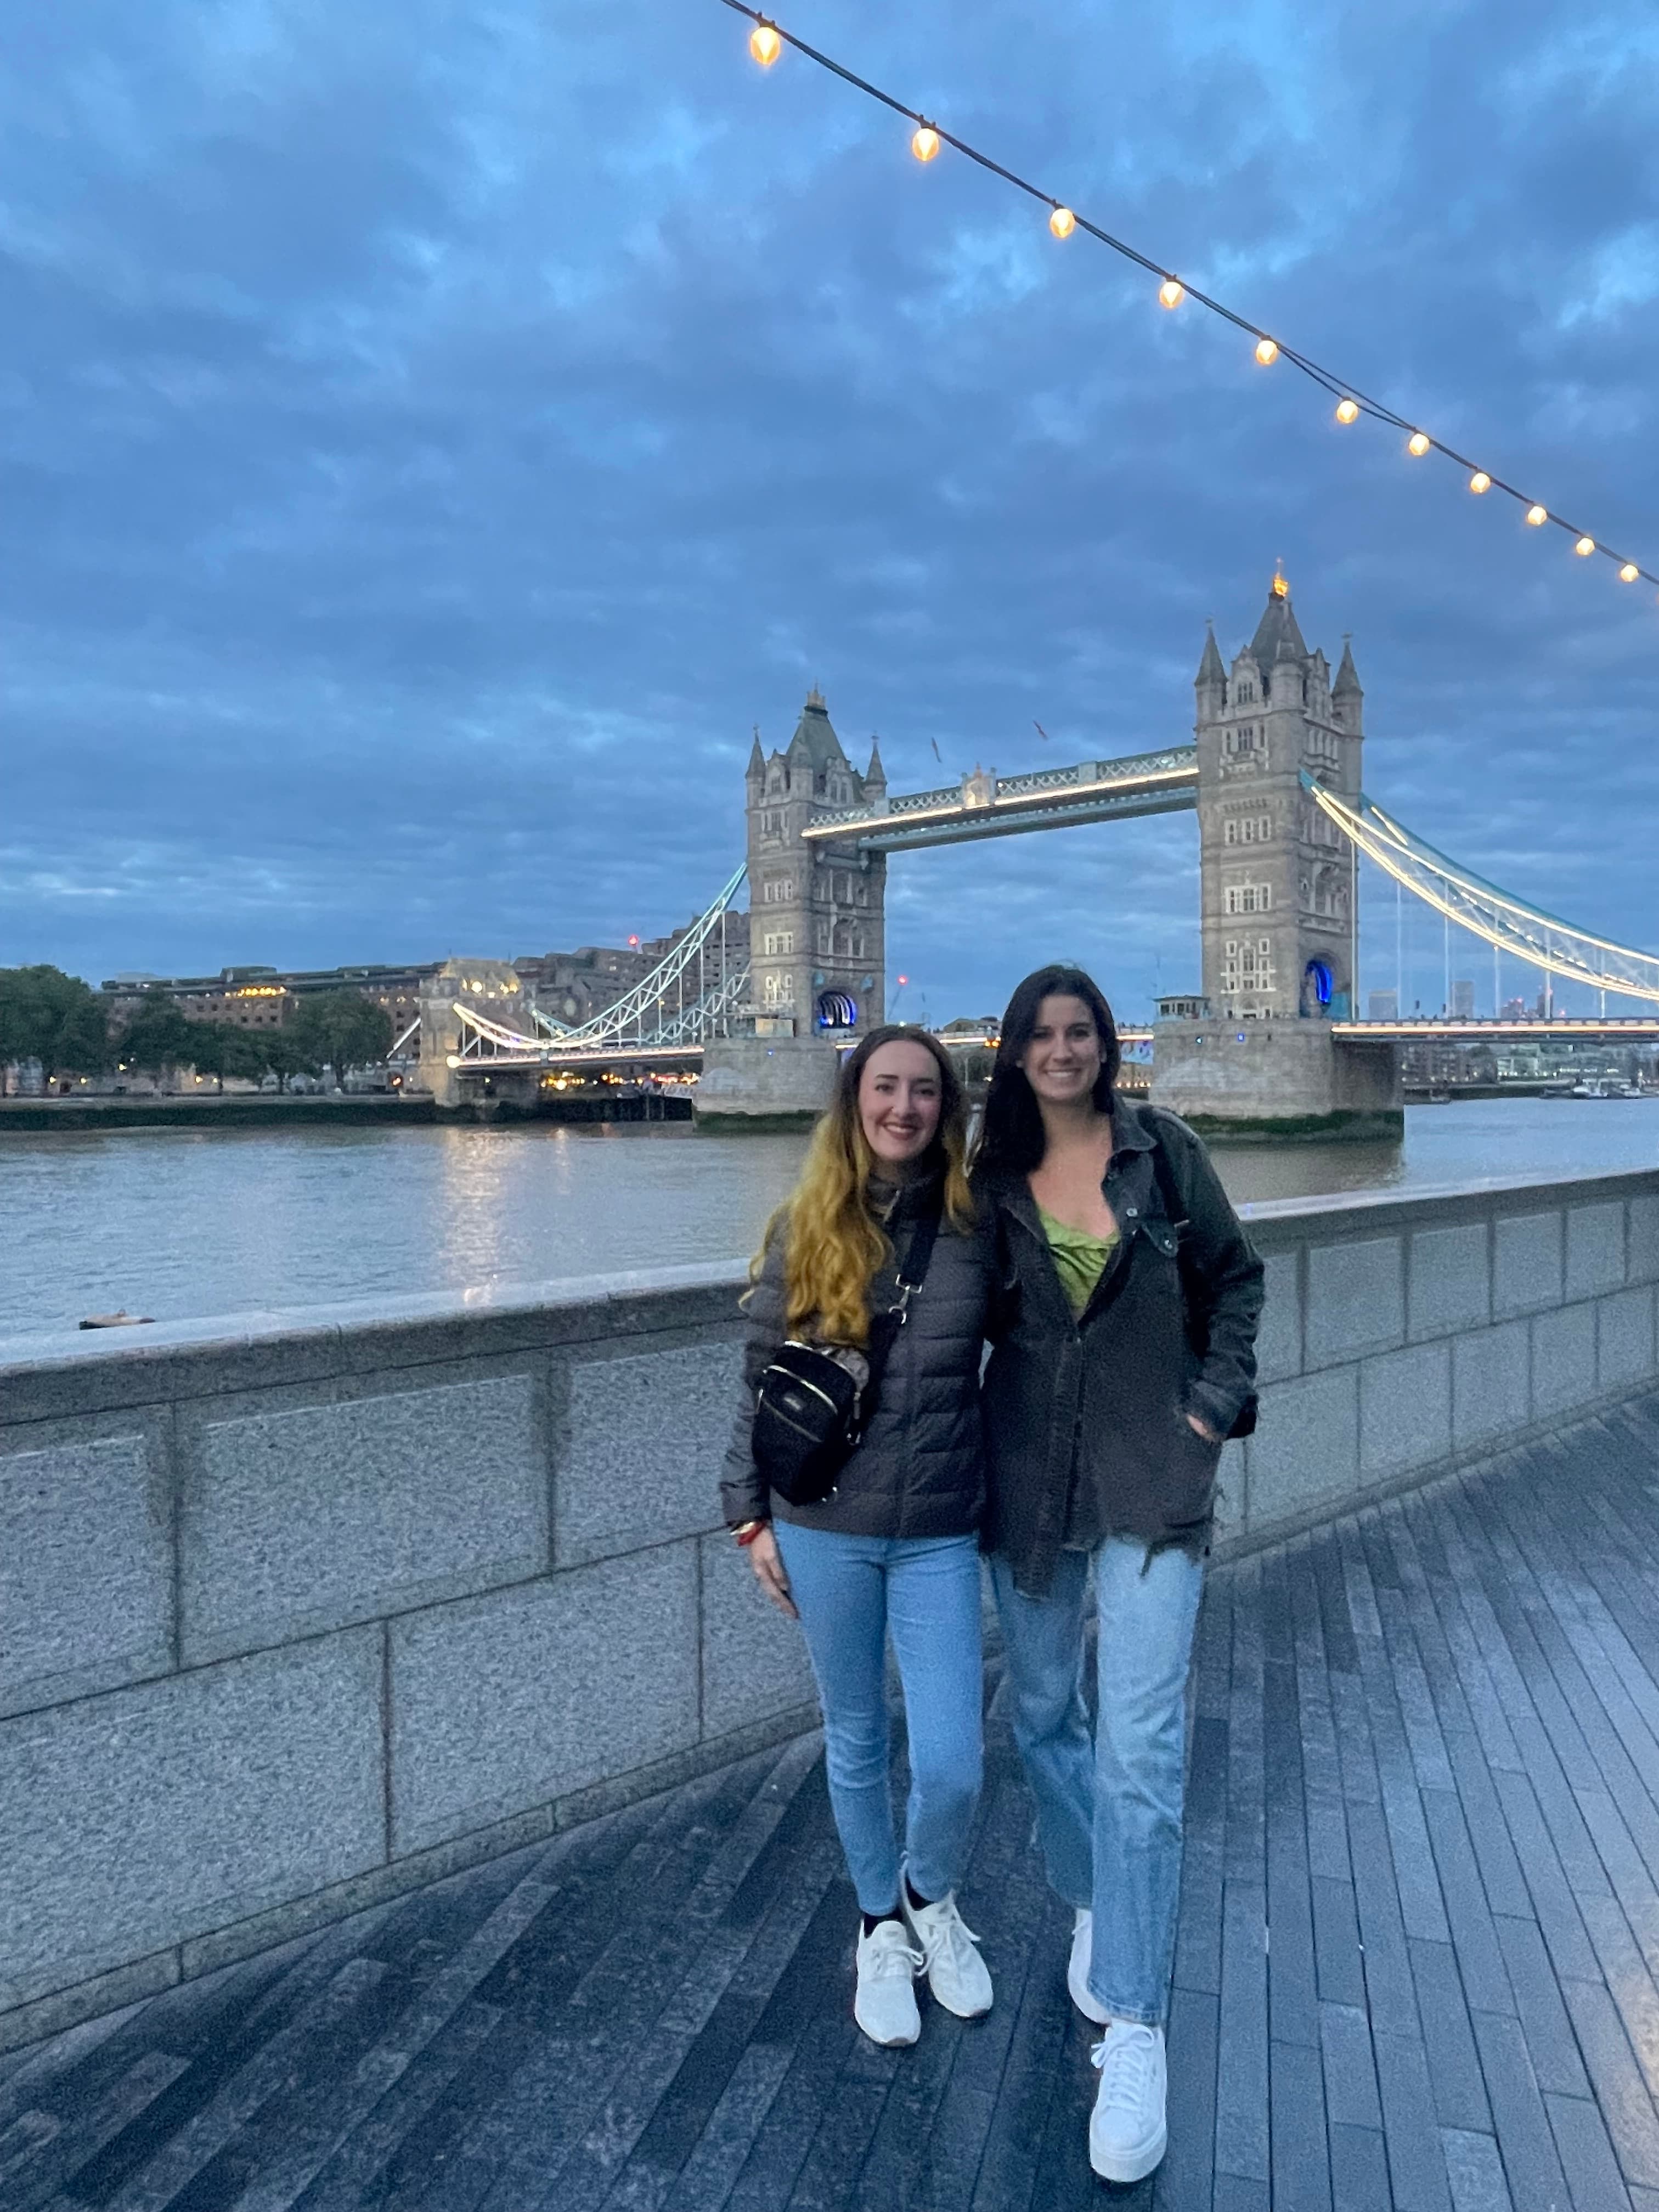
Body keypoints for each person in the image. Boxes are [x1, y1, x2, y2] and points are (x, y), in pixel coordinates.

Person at [973, 965, 1263, 2184]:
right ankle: (1096, 1896)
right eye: (1041, 1034)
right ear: (1015, 1051)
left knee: (1141, 1750)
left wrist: (1210, 1411)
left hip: (1155, 1479)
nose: (1062, 1049)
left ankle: (1136, 2024)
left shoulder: (1167, 1153)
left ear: (1107, 1043)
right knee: (1044, 1716)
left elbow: (1237, 1281)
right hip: (1030, 1482)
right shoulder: (985, 1179)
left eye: (1080, 1030)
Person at [721, 1025, 997, 2049]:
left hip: (937, 1530)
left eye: (924, 1090)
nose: (903, 1108)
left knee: (955, 1760)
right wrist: (748, 1515)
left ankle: (931, 1896)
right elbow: (759, 1380)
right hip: (824, 1524)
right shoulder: (806, 1226)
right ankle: (879, 1923)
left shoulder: (978, 1227)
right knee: (856, 1736)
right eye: (885, 1088)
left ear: (946, 1109)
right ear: (854, 1104)